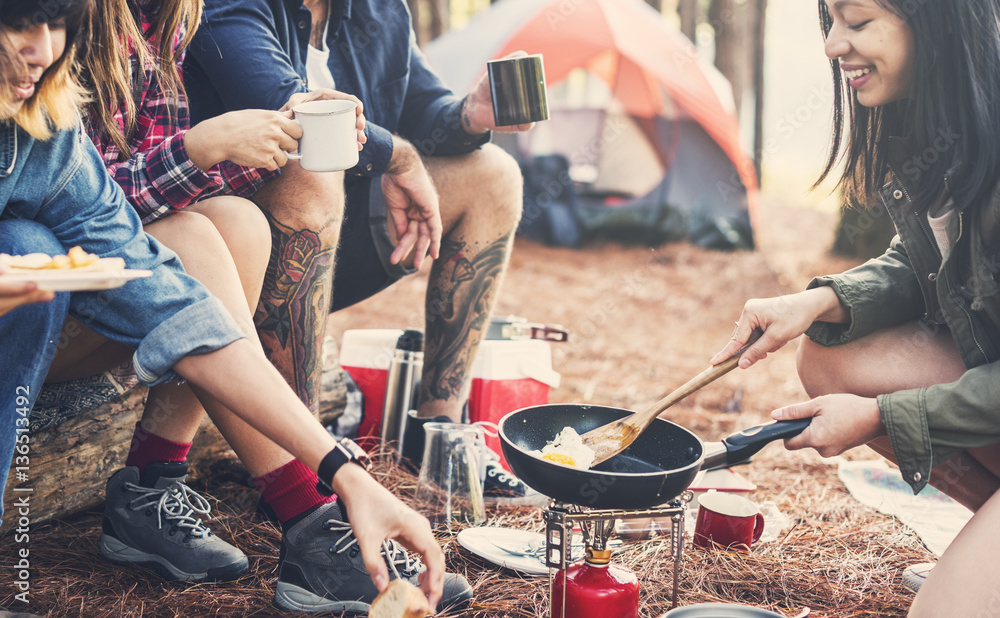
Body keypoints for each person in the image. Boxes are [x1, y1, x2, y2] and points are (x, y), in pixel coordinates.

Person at [0, 1, 471, 613]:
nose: (40, 48)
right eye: (16, 24)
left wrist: (340, 473)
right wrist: (200, 147)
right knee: (28, 248)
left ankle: (278, 505)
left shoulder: (46, 130)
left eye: (53, 25)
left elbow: (184, 315)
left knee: (217, 230)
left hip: (68, 299)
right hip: (61, 309)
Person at [63, 0, 375, 594]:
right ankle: (308, 511)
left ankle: (150, 486)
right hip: (39, 303)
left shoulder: (167, 17)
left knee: (238, 222)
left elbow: (154, 185)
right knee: (193, 236)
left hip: (105, 289)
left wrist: (272, 136)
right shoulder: (62, 25)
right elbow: (80, 210)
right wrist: (200, 146)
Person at [183, 0, 538, 501]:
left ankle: (437, 434)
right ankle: (302, 457)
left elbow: (422, 110)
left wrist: (468, 115)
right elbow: (299, 119)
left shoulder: (380, 10)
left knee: (494, 176)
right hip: (235, 259)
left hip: (341, 240)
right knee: (309, 170)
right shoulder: (228, 6)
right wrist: (400, 156)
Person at [712, 1, 1000, 615]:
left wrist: (879, 417)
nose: (832, 46)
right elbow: (931, 263)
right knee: (831, 352)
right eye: (831, 23)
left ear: (941, 21)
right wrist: (816, 301)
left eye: (859, 23)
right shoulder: (941, 128)